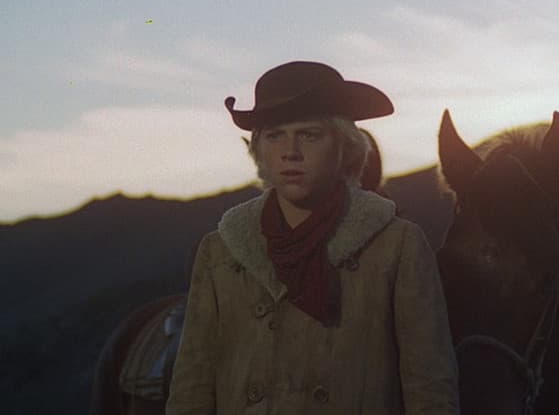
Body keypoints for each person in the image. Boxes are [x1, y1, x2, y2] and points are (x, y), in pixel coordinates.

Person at [166, 61, 459, 414]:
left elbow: (429, 390)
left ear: (346, 147)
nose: (291, 151)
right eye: (274, 135)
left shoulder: (397, 245)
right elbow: (191, 391)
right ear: (259, 150)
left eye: (309, 134)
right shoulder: (220, 250)